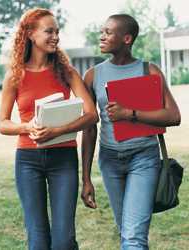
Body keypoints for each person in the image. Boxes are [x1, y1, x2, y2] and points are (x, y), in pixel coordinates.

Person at [0, 8, 98, 250]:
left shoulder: (66, 72)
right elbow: (3, 123)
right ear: (31, 34)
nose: (56, 36)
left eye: (57, 31)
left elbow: (91, 115)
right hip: (28, 160)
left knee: (63, 241)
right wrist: (26, 126)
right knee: (38, 239)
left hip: (63, 158)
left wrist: (58, 130)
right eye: (49, 31)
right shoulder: (15, 75)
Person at [81, 14, 181, 250]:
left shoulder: (149, 71)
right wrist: (85, 178)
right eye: (102, 31)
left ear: (127, 38)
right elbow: (89, 130)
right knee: (126, 231)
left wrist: (129, 114)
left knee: (134, 237)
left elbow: (174, 116)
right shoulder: (93, 75)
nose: (102, 36)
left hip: (144, 159)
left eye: (108, 32)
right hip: (110, 161)